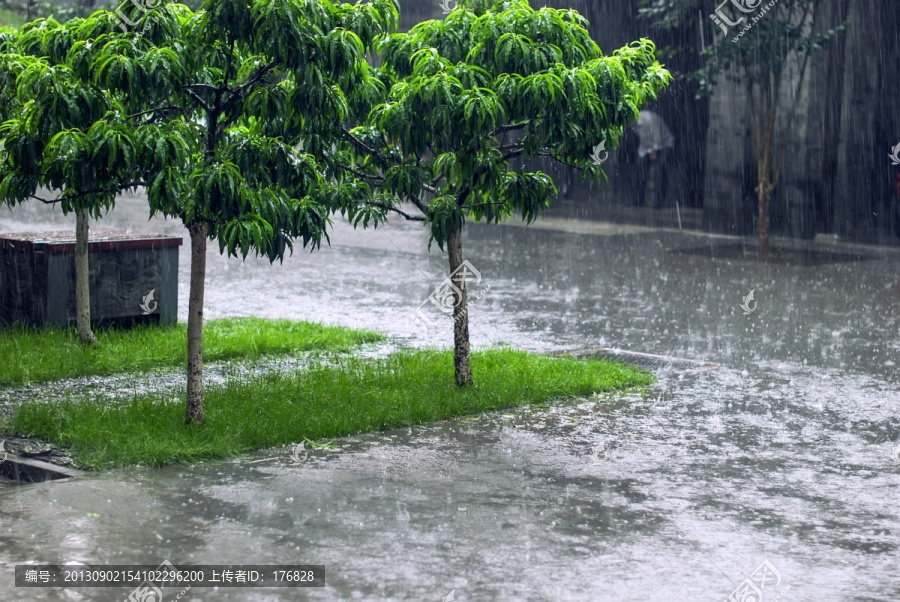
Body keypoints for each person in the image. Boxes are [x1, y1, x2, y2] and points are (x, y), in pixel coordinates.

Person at [633, 110, 675, 208]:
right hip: (646, 148)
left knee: (660, 169)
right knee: (639, 167)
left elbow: (657, 137)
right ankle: (639, 199)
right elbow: (643, 140)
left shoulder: (649, 120)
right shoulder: (635, 125)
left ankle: (659, 202)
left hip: (664, 145)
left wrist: (654, 151)